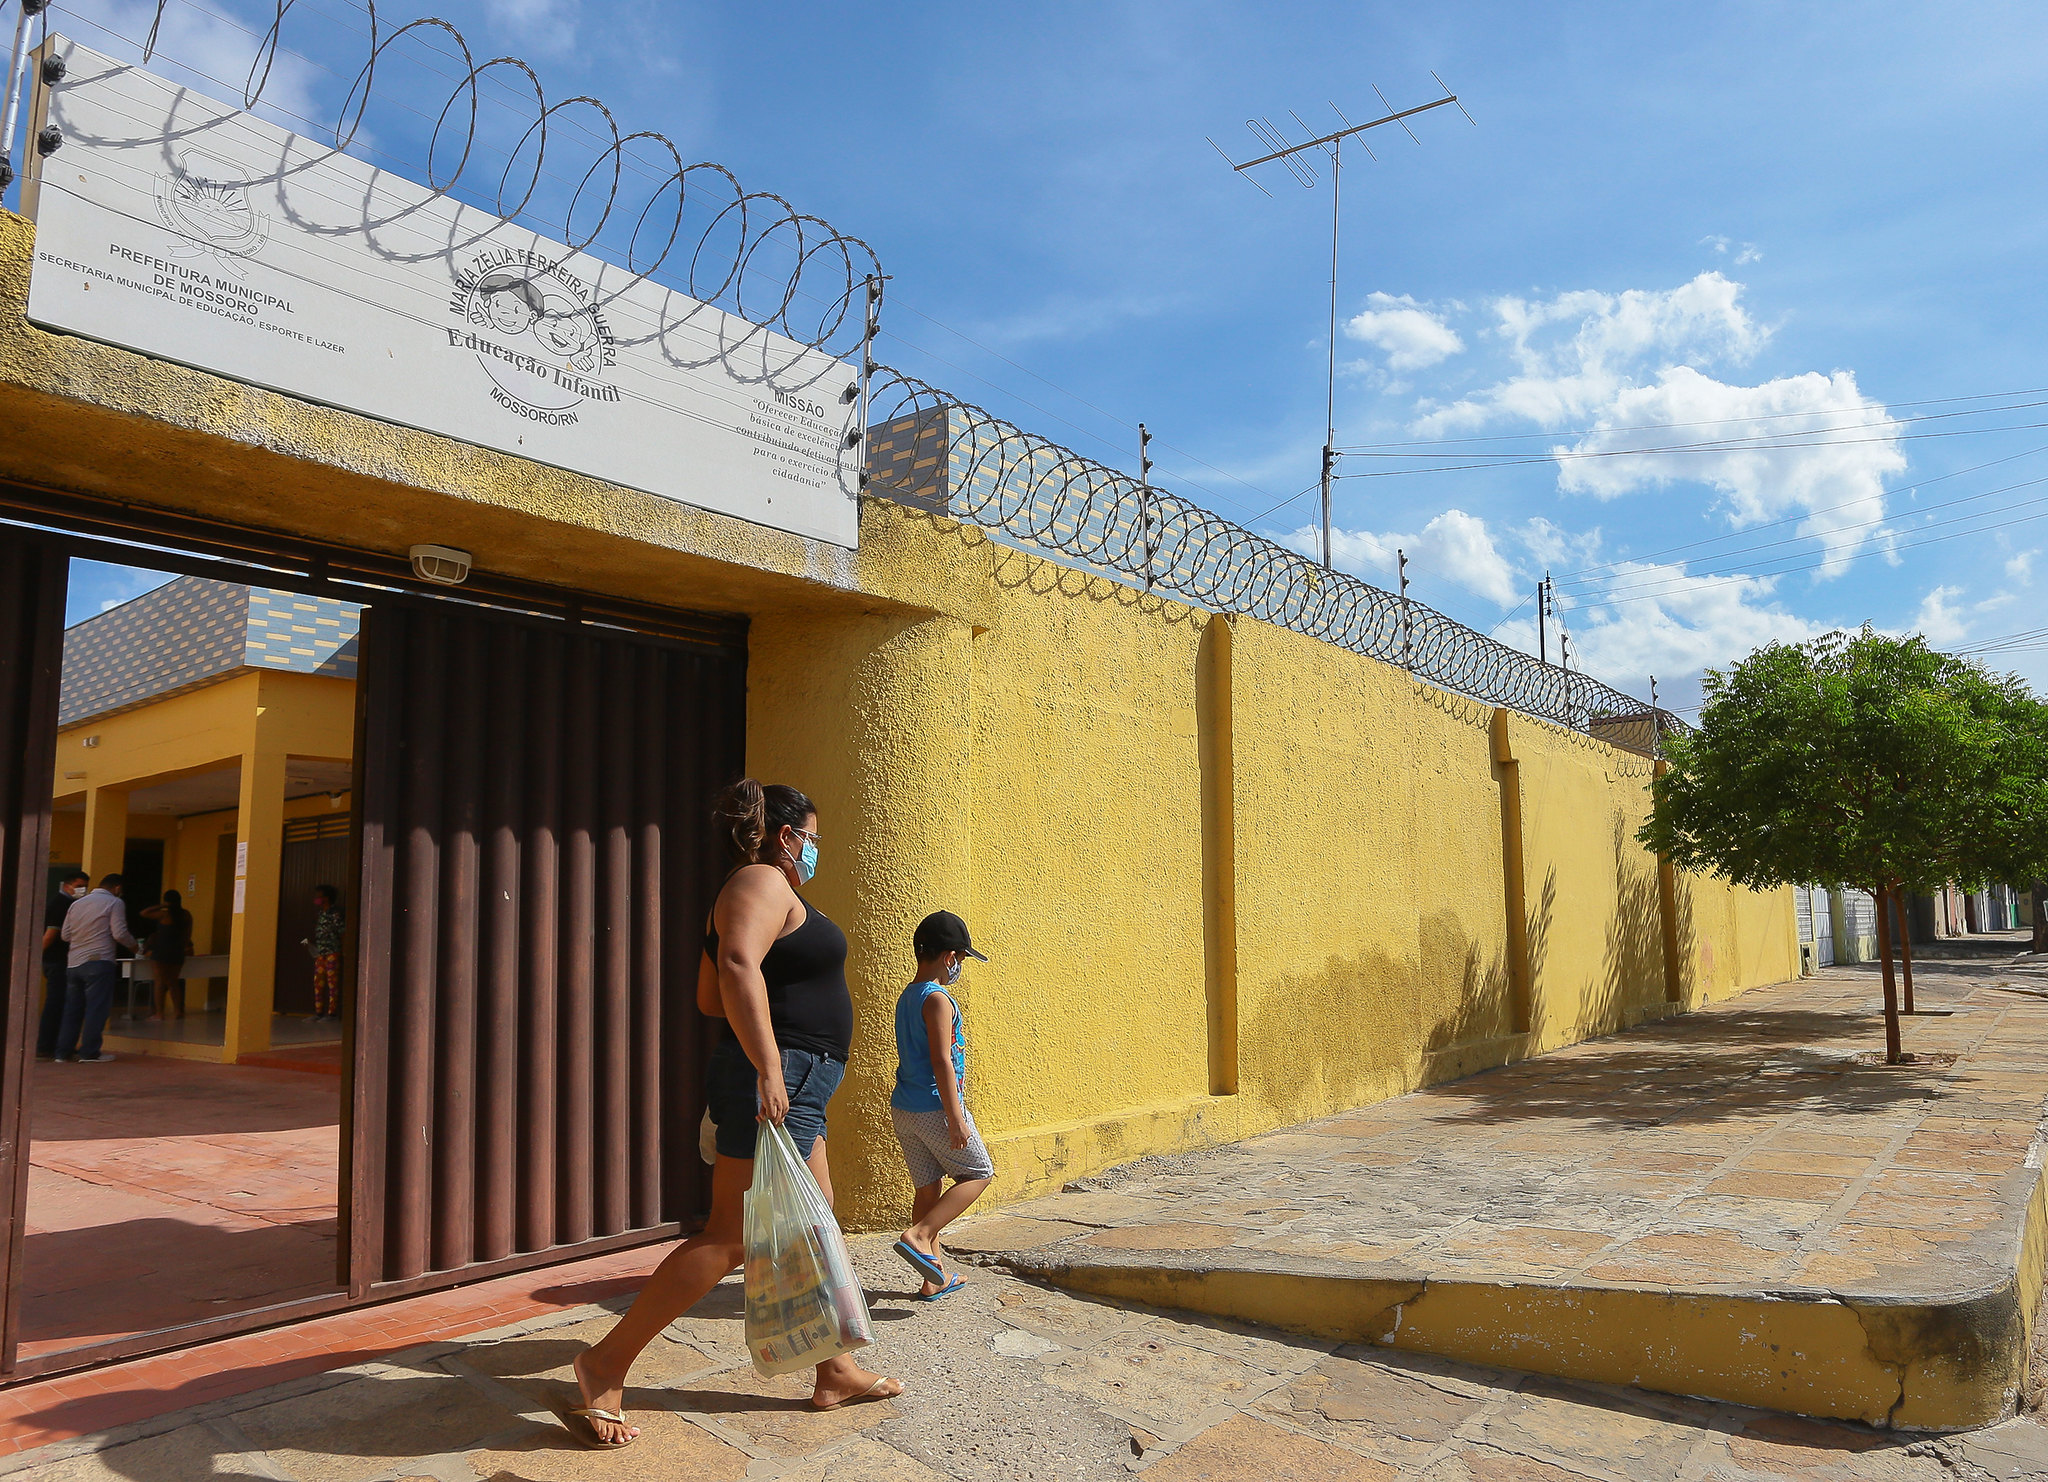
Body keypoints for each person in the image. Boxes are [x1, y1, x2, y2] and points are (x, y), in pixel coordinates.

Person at [568, 780, 901, 1449]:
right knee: (733, 1236)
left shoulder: (757, 890)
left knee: (815, 1216)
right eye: (812, 838)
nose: (814, 850)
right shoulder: (760, 881)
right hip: (775, 1077)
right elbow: (735, 964)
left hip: (799, 1079)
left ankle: (832, 1370)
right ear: (787, 837)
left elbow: (709, 994)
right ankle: (604, 1362)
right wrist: (772, 1065)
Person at [889, 911, 996, 1300]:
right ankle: (920, 1235)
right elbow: (941, 1061)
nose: (960, 967)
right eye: (962, 959)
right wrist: (955, 1117)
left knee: (927, 1187)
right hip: (935, 1107)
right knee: (979, 1173)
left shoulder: (907, 995)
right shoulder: (938, 998)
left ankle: (932, 1277)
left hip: (905, 1108)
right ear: (949, 956)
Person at [56, 873, 135, 1064]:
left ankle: (63, 1053)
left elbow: (65, 935)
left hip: (74, 963)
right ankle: (89, 1052)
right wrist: (135, 946)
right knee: (96, 1009)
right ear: (117, 888)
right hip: (99, 962)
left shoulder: (77, 904)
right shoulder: (115, 903)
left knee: (72, 1009)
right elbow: (119, 933)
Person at [35, 872, 91, 1061]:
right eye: (79, 885)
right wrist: (35, 957)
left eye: (85, 886)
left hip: (58, 961)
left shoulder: (66, 903)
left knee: (60, 1003)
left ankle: (54, 1044)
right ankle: (45, 1046)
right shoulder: (61, 905)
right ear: (67, 885)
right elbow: (50, 935)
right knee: (56, 1004)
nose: (82, 890)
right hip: (57, 961)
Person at [138, 889, 194, 1021]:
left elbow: (144, 913)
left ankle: (159, 1013)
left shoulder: (164, 915)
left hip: (161, 952)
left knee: (159, 982)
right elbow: (188, 935)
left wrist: (162, 905)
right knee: (173, 982)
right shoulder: (186, 915)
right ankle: (178, 1011)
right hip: (177, 952)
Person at [302, 885, 344, 1021]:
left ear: (326, 898)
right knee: (318, 983)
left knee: (333, 984)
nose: (317, 899)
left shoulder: (335, 913)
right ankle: (318, 1012)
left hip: (333, 952)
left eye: (319, 896)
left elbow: (342, 932)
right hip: (320, 953)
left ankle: (332, 1013)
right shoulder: (321, 913)